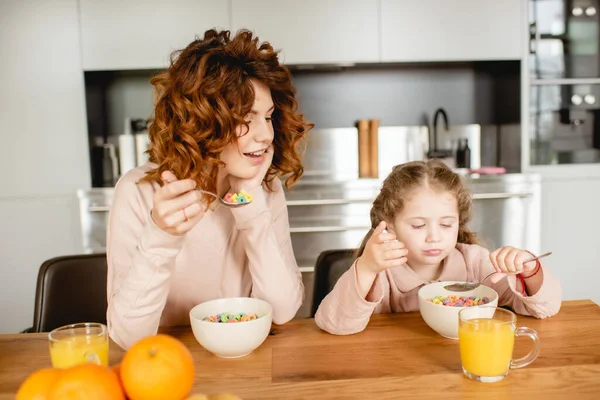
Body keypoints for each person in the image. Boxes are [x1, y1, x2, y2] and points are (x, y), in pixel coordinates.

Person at [106, 29, 313, 349]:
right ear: (201, 121)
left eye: (268, 117)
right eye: (246, 118)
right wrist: (162, 235)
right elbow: (127, 336)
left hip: (246, 362)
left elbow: (284, 309)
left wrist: (249, 203)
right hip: (166, 365)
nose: (265, 135)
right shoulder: (138, 191)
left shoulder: (263, 188)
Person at [315, 160, 561, 335]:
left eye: (446, 224)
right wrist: (367, 268)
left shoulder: (476, 264)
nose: (434, 237)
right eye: (419, 225)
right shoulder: (381, 274)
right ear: (389, 225)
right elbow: (336, 324)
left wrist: (529, 270)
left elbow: (546, 309)